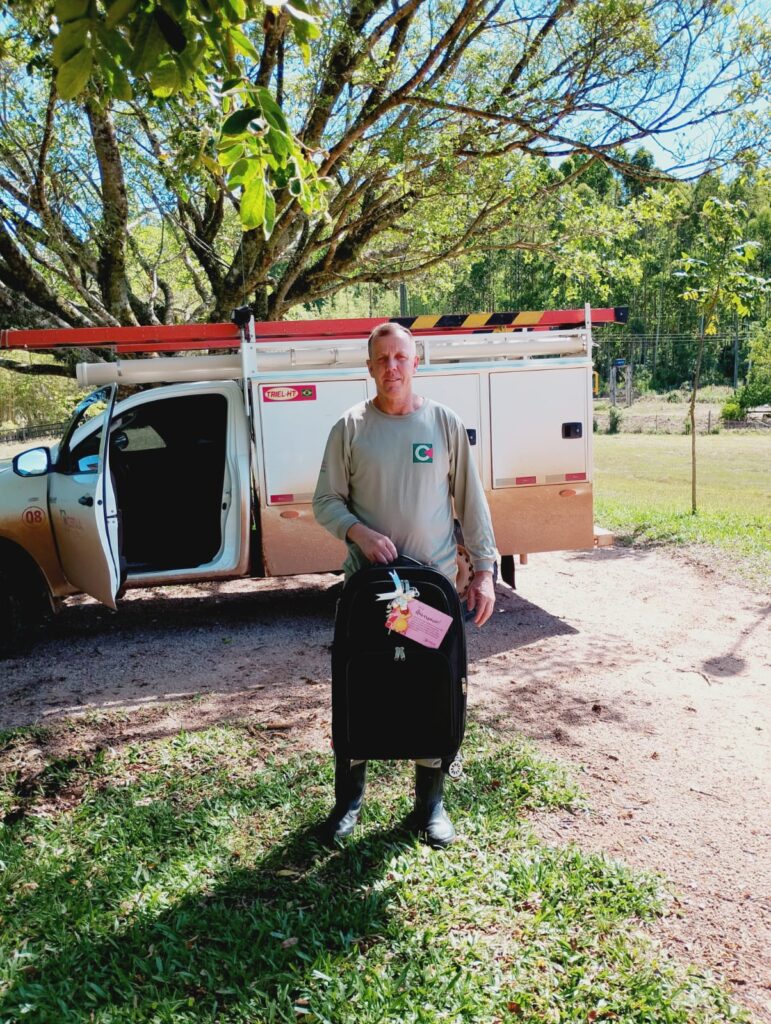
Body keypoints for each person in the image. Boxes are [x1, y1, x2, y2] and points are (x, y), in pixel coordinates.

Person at [312, 322, 497, 847]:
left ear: (416, 362)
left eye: (400, 357)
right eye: (382, 358)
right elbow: (325, 501)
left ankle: (429, 805)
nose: (391, 366)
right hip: (370, 596)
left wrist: (484, 571)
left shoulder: (443, 423)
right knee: (362, 689)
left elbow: (471, 500)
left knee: (430, 688)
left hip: (428, 596)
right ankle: (348, 803)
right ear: (370, 366)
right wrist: (359, 532)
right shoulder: (350, 427)